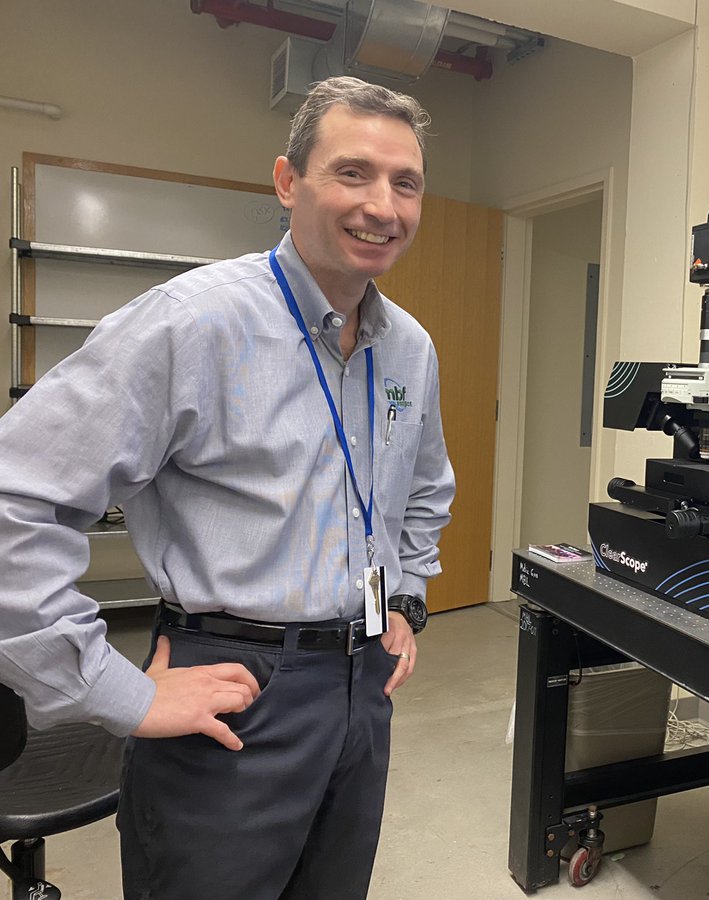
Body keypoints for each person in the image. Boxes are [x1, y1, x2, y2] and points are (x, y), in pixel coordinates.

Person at [0, 76, 455, 899]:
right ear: (287, 181)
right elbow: (15, 497)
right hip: (233, 689)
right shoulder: (193, 322)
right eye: (352, 173)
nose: (382, 206)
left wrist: (408, 596)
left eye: (405, 182)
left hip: (362, 689)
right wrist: (111, 688)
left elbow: (423, 487)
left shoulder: (410, 348)